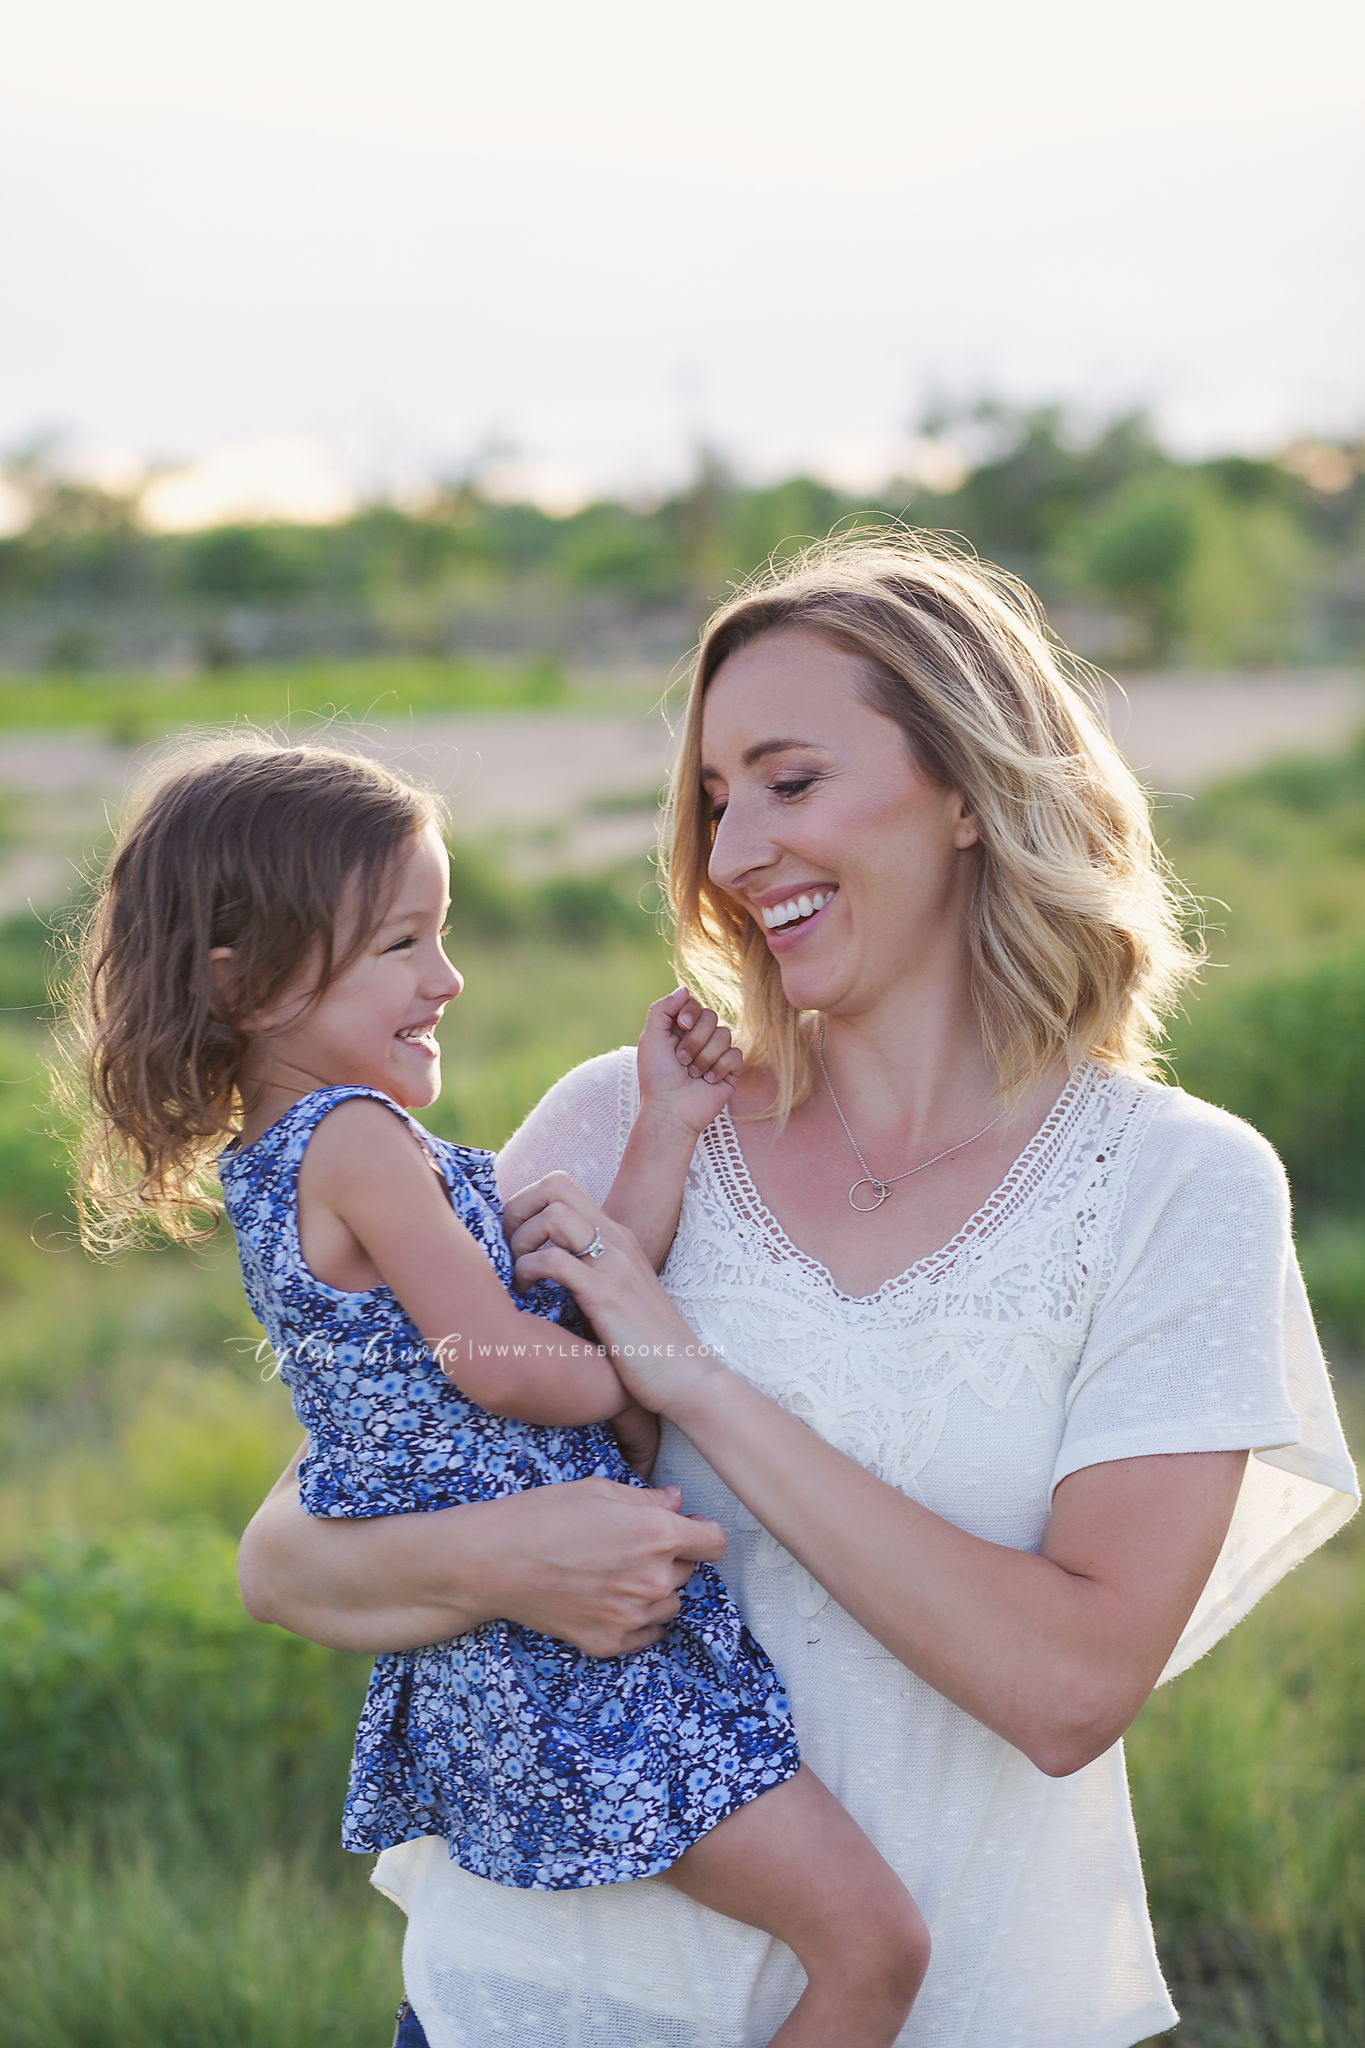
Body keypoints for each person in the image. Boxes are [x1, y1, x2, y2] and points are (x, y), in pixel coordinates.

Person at [238, 534, 1359, 2048]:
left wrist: (691, 1380)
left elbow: (1068, 1687)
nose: (733, 849)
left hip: (963, 2006)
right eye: (711, 800)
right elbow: (296, 1559)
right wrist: (518, 1553)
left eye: (790, 780)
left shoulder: (1177, 1187)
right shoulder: (620, 1122)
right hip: (535, 2004)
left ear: (970, 791)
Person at [72, 737, 930, 2048]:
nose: (447, 978)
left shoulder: (309, 1151)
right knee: (872, 1947)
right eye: (400, 946)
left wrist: (663, 1130)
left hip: (505, 1652)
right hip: (556, 1665)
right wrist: (654, 1380)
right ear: (241, 983)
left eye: (444, 934)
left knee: (853, 1947)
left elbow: (561, 1303)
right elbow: (509, 1364)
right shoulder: (354, 1142)